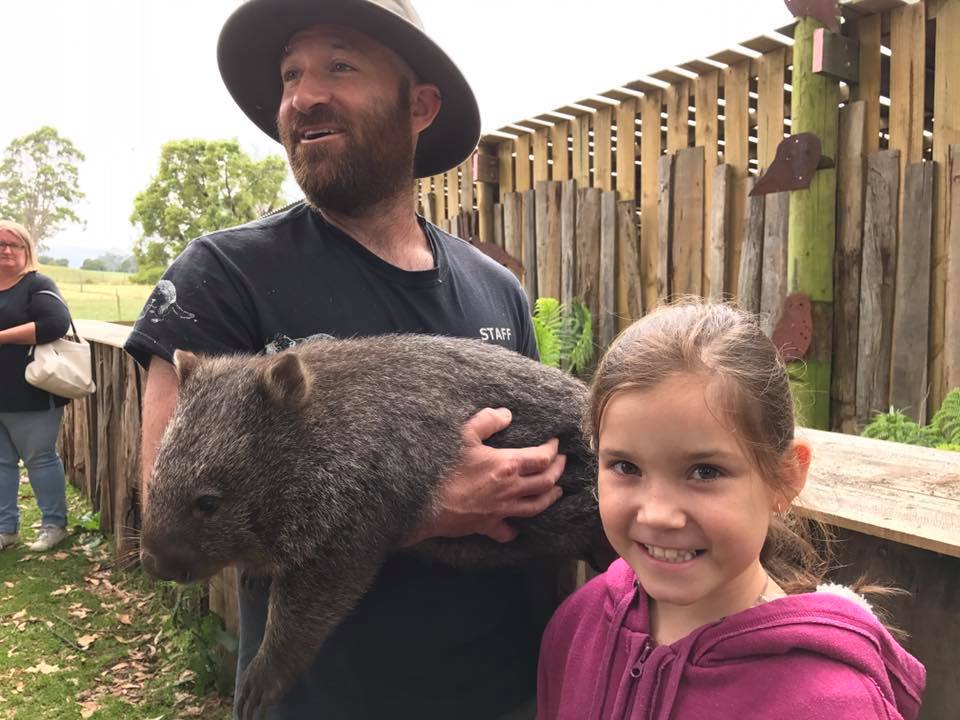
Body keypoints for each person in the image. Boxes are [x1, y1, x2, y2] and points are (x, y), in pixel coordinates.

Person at [125, 1, 567, 718]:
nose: (303, 95)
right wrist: (422, 510)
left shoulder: (496, 290)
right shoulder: (224, 274)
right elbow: (169, 502)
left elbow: (544, 467)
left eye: (340, 65)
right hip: (323, 698)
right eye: (290, 74)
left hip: (501, 683)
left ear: (420, 105)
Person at [537, 300, 926, 720]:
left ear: (786, 477)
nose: (657, 515)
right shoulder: (577, 626)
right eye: (625, 467)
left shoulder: (834, 703)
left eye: (704, 472)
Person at [0, 220, 72, 553]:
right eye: (0, 244)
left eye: (14, 245)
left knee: (39, 459)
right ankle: (6, 530)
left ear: (27, 251)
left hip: (31, 391)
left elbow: (55, 323)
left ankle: (53, 525)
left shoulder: (36, 284)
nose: (5, 250)